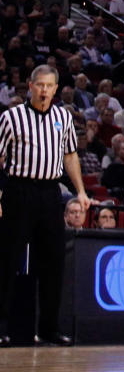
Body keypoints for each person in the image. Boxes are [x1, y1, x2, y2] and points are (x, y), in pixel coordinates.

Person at [0, 65, 90, 347]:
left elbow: (71, 155)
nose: (43, 90)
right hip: (18, 189)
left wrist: (81, 190)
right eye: (39, 84)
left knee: (53, 263)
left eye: (49, 85)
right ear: (30, 85)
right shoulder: (11, 117)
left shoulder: (63, 117)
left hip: (50, 192)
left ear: (56, 88)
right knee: (7, 261)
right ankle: (2, 328)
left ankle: (49, 328)